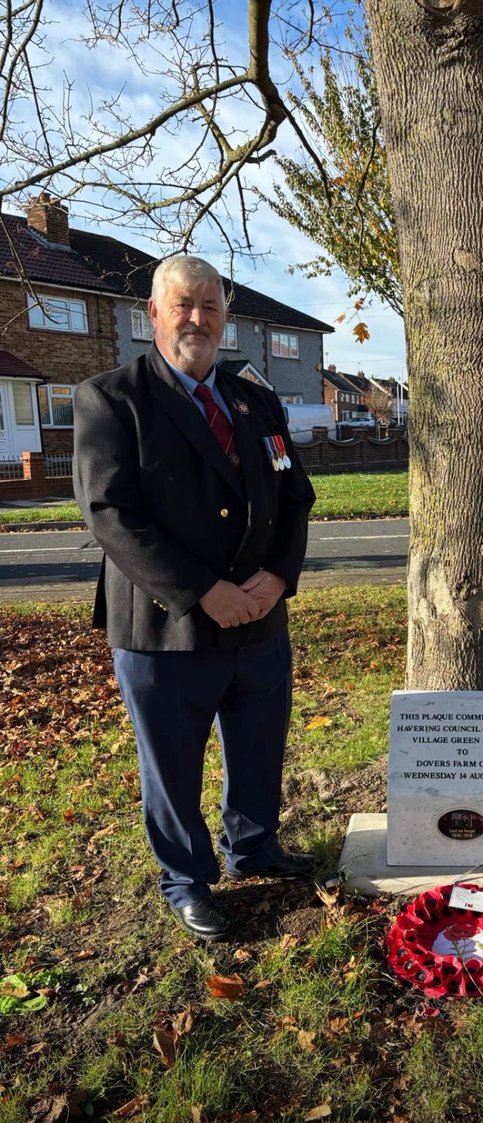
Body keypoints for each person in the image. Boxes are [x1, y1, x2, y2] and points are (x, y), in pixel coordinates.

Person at [74, 255, 318, 942]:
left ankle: (255, 846)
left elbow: (294, 496)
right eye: (182, 304)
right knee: (172, 762)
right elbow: (109, 512)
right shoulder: (113, 398)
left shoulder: (255, 399)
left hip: (260, 617)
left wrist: (278, 577)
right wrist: (203, 592)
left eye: (210, 307)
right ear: (152, 314)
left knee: (259, 742)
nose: (198, 319)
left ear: (225, 319)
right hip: (165, 626)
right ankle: (186, 877)